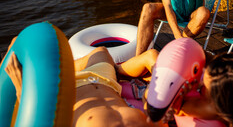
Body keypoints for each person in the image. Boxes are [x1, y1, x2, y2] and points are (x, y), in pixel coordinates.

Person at [3, 37, 165, 127]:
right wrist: (151, 98)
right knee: (101, 51)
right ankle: (117, 70)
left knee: (19, 45)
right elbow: (151, 56)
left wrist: (21, 91)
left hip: (66, 88)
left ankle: (63, 68)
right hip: (106, 81)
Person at [166, 51, 233, 127]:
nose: (201, 83)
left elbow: (178, 106)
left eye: (204, 87)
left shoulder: (214, 110)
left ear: (219, 97)